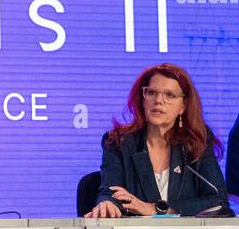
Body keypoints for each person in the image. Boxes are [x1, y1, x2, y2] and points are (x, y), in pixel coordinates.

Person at [86, 63, 227, 217]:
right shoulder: (119, 142)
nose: (158, 100)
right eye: (151, 92)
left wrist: (156, 209)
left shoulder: (195, 142)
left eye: (170, 95)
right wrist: (107, 203)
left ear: (183, 106)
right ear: (143, 99)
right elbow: (109, 191)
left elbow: (218, 200)